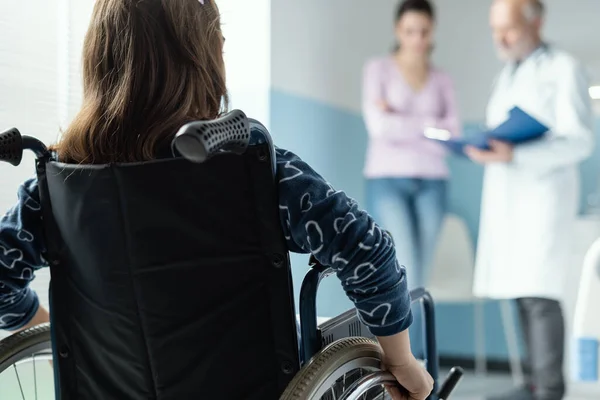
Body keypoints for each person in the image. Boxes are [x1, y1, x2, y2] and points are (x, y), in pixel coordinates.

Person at [0, 1, 433, 399]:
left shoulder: (54, 188)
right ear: (203, 57)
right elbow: (366, 249)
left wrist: (52, 328)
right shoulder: (257, 171)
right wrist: (401, 360)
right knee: (402, 317)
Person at [467, 1, 594, 399]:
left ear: (535, 21)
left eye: (508, 28)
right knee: (522, 292)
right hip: (510, 199)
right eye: (494, 29)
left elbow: (581, 139)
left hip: (543, 198)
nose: (499, 38)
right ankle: (537, 385)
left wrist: (517, 155)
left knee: (540, 294)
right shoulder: (507, 76)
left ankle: (550, 390)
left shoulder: (564, 68)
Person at [362, 0, 460, 358]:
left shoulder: (442, 79)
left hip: (434, 183)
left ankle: (416, 368)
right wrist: (429, 127)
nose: (417, 38)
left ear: (432, 32)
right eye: (409, 31)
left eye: (424, 31)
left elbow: (452, 135)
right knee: (404, 271)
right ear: (397, 31)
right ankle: (405, 365)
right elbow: (378, 126)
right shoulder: (378, 70)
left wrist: (401, 119)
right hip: (387, 180)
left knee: (421, 279)